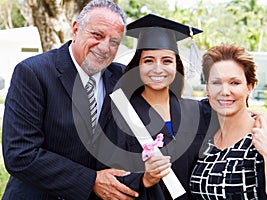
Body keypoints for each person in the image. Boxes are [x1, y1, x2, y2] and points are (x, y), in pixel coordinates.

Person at [2, 0, 139, 199]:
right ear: (76, 29)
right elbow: (20, 154)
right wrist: (91, 181)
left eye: (114, 41)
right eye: (97, 35)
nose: (104, 47)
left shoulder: (120, 78)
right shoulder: (34, 73)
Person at [102, 14, 211, 200]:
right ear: (138, 65)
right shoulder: (120, 115)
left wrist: (256, 117)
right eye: (148, 60)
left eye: (167, 61)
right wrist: (143, 179)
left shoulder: (198, 112)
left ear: (177, 66)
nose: (158, 69)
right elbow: (109, 180)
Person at [189, 43, 267, 199]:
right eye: (216, 82)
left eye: (235, 83)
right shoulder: (205, 139)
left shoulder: (265, 139)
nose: (225, 91)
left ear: (250, 87)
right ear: (207, 88)